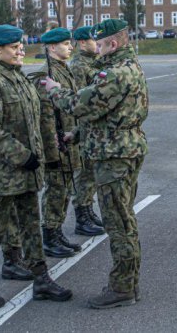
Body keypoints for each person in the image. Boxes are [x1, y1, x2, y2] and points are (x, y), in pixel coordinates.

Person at [0, 24, 72, 309]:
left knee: (30, 226)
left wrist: (42, 154)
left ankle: (41, 279)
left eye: (21, 46)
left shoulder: (19, 79)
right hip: (3, 174)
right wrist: (23, 156)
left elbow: (37, 123)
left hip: (27, 171)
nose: (20, 51)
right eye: (14, 47)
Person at [45, 19, 148, 309]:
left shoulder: (115, 72)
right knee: (124, 219)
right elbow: (108, 114)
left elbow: (80, 105)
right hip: (124, 147)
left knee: (119, 224)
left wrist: (53, 89)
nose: (97, 50)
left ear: (112, 44)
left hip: (114, 156)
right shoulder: (130, 66)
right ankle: (128, 283)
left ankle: (122, 288)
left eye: (100, 44)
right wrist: (76, 133)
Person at [27, 27, 95, 259]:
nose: (70, 47)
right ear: (52, 47)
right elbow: (45, 116)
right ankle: (50, 235)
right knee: (56, 190)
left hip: (68, 139)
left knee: (65, 188)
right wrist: (51, 148)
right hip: (56, 144)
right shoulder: (46, 74)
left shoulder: (62, 70)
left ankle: (57, 233)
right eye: (66, 44)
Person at [69, 25, 105, 236]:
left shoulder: (93, 62)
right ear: (83, 43)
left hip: (92, 129)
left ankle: (89, 210)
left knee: (91, 173)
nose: (97, 44)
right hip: (82, 128)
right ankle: (82, 216)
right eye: (93, 40)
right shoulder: (78, 66)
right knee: (83, 174)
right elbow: (78, 100)